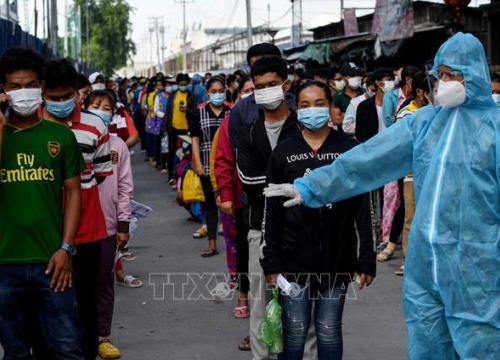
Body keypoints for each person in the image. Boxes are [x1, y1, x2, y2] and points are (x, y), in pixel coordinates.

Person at [264, 32, 500, 360]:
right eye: (441, 74)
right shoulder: (426, 123)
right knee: (427, 340)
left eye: (453, 75)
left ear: (473, 75)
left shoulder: (495, 129)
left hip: (478, 267)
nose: (444, 82)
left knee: (482, 346)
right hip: (425, 263)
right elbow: (368, 159)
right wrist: (310, 186)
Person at [262, 81, 376, 360]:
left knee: (328, 329)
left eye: (319, 103)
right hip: (293, 259)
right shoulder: (283, 152)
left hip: (338, 258)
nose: (312, 110)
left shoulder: (349, 149)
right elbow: (273, 212)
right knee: (295, 329)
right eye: (304, 105)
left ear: (331, 108)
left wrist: (366, 259)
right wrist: (271, 262)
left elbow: (364, 207)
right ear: (295, 109)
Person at [0, 47, 85, 359]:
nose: (24, 93)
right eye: (15, 87)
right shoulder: (1, 134)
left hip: (53, 264)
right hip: (4, 265)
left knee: (66, 349)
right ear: (3, 91)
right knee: (16, 352)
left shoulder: (59, 136)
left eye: (31, 85)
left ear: (41, 87)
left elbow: (74, 193)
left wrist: (67, 248)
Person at [42, 59, 113, 360]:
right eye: (53, 98)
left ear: (77, 94)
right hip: (45, 228)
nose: (60, 103)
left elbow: (99, 174)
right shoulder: (32, 124)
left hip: (88, 230)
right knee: (48, 303)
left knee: (85, 302)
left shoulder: (96, 125)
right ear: (43, 94)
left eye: (65, 96)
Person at [237, 55, 301, 360]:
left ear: (285, 85)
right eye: (259, 87)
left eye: (272, 84)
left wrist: (282, 182)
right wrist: (291, 181)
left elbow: (318, 173)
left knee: (302, 307)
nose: (265, 91)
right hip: (258, 230)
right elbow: (248, 181)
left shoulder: (302, 126)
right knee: (260, 306)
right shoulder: (249, 132)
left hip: (303, 229)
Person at [84, 90, 134, 359]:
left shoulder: (118, 146)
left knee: (104, 282)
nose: (101, 110)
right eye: (95, 105)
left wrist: (123, 224)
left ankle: (102, 336)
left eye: (106, 107)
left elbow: (125, 187)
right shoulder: (73, 139)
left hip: (107, 225)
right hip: (76, 226)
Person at [393, 72, 435, 276]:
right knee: (411, 217)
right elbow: (401, 144)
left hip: (434, 173)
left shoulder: (437, 111)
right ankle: (408, 260)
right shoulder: (406, 114)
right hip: (412, 174)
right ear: (420, 92)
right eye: (432, 91)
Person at [190, 76, 231, 257]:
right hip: (206, 163)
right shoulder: (199, 113)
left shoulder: (232, 112)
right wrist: (197, 162)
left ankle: (233, 242)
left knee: (229, 202)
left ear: (226, 91)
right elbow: (195, 139)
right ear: (207, 93)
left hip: (228, 164)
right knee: (210, 204)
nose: (217, 95)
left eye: (220, 91)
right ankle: (212, 243)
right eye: (213, 92)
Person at [165, 73, 194, 185]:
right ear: (177, 84)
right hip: (173, 128)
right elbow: (168, 111)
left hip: (186, 130)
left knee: (185, 154)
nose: (183, 86)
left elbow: (194, 111)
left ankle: (183, 178)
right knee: (171, 152)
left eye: (185, 84)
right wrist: (166, 127)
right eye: (181, 84)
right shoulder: (173, 95)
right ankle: (171, 176)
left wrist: (188, 109)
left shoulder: (191, 95)